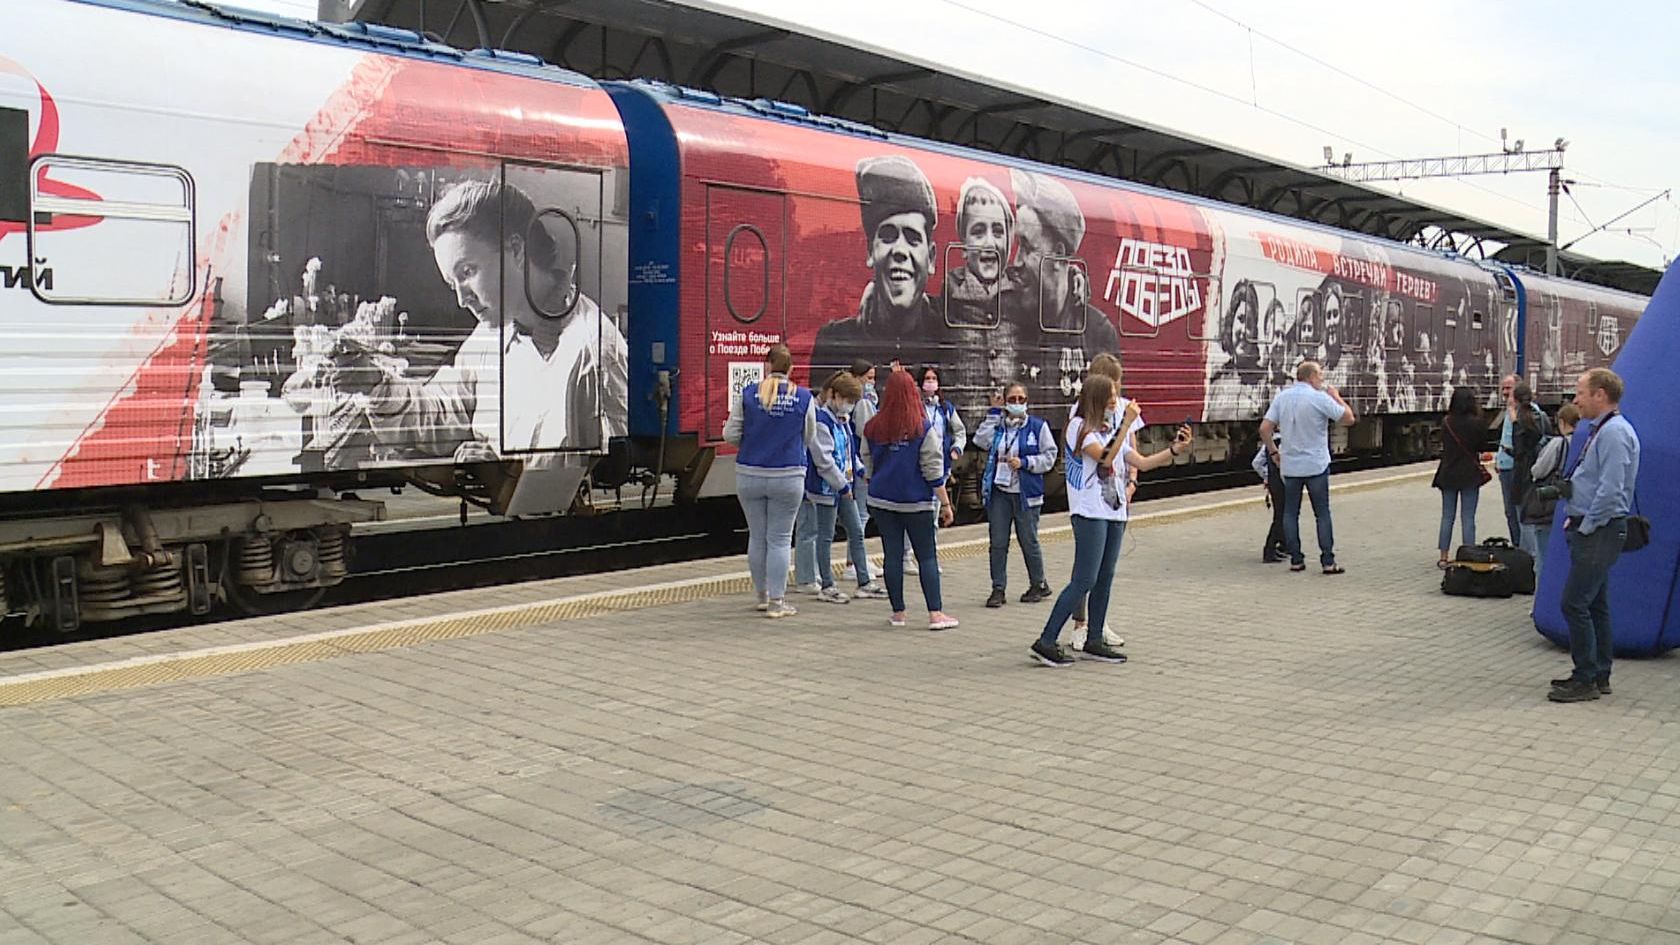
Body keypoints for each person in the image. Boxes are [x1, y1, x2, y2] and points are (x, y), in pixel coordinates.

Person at [365, 178, 628, 460]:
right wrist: (376, 385)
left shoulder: (592, 354)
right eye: (453, 284)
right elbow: (445, 415)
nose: (461, 299)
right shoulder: (490, 335)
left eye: (467, 272)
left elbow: (608, 483)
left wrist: (502, 474)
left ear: (515, 249)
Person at [1030, 375, 1191, 666]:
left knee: (1105, 577)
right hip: (1089, 512)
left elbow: (1139, 461)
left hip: (1114, 510)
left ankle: (1094, 639)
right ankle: (1046, 639)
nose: (1116, 403)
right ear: (1096, 399)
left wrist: (1173, 450)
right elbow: (1104, 458)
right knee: (1084, 579)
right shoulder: (1080, 428)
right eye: (1111, 398)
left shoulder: (1107, 430)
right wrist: (1126, 424)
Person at [1548, 369, 1640, 703]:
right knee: (1596, 603)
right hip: (1593, 528)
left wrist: (1585, 524)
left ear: (1600, 395)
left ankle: (1585, 677)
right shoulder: (1603, 430)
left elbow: (1612, 491)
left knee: (1573, 603)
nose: (1576, 401)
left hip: (1599, 531)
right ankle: (1599, 673)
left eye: (1580, 393)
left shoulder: (1614, 434)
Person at [810, 156, 944, 379]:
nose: (900, 250)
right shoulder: (835, 341)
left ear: (930, 258)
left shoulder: (947, 331)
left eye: (912, 238)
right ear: (870, 251)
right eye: (889, 236)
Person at [1005, 168, 1120, 407]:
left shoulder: (1097, 332)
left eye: (1027, 247)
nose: (1016, 261)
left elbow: (1111, 403)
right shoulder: (1007, 317)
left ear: (1058, 255)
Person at [723, 344, 823, 619]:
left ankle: (761, 595)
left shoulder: (749, 394)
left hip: (749, 474)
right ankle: (777, 603)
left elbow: (731, 434)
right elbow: (809, 436)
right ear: (791, 369)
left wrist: (753, 441)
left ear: (767, 366)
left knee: (757, 537)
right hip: (788, 475)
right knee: (779, 539)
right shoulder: (803, 398)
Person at [863, 370, 959, 630]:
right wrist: (946, 504)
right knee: (926, 556)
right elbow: (932, 470)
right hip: (916, 502)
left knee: (891, 555)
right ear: (913, 392)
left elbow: (866, 462)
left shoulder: (873, 426)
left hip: (882, 500)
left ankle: (898, 614)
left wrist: (875, 482)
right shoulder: (922, 427)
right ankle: (935, 614)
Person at [1069, 353, 1143, 647]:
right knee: (1086, 568)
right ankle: (1080, 623)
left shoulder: (1124, 409)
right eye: (1113, 382)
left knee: (1105, 568)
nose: (1117, 390)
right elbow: (1100, 454)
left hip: (1115, 499)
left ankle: (1099, 625)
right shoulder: (1081, 414)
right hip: (1091, 501)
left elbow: (1131, 447)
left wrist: (1132, 482)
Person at [793, 371, 888, 602]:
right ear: (833, 395)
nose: (849, 406)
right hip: (826, 489)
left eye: (853, 402)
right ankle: (827, 585)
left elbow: (848, 452)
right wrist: (843, 485)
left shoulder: (842, 421)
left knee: (856, 531)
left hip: (844, 486)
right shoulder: (821, 421)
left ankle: (864, 582)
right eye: (847, 400)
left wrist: (860, 470)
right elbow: (824, 460)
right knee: (825, 535)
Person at [1259, 360, 1357, 574]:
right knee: (1322, 513)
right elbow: (1349, 418)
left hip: (1291, 466)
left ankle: (1296, 559)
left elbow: (1265, 429)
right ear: (1311, 377)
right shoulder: (1319, 398)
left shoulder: (1282, 397)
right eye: (1320, 376)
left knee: (1290, 513)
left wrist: (1274, 453)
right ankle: (1328, 562)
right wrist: (1336, 396)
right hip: (1316, 466)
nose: (1322, 380)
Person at [974, 381, 1056, 607]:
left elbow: (1050, 456)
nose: (1017, 404)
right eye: (1012, 400)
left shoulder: (1038, 427)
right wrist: (992, 413)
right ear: (1005, 403)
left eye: (1021, 399)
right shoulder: (998, 427)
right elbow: (980, 440)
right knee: (998, 542)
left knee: (1028, 540)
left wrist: (1026, 462)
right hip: (1000, 492)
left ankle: (1038, 583)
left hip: (1026, 494)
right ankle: (998, 589)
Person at [906, 365, 966, 575]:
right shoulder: (913, 406)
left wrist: (957, 448)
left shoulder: (945, 408)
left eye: (934, 378)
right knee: (913, 511)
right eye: (927, 378)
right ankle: (907, 556)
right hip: (917, 468)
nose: (930, 382)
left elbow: (959, 431)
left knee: (932, 515)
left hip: (941, 466)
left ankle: (927, 558)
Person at [1432, 387, 1487, 568]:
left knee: (1447, 516)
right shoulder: (1477, 423)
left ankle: (1443, 556)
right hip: (1470, 474)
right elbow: (1480, 445)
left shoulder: (1446, 422)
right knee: (1468, 517)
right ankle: (1468, 555)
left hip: (1448, 473)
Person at [1522, 402, 1579, 576]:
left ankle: (1542, 598)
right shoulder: (1585, 442)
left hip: (1550, 507)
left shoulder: (1558, 443)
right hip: (1574, 506)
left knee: (1543, 556)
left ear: (1562, 422)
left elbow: (1538, 471)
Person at [843, 357, 880, 583]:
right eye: (869, 378)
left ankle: (857, 559)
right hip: (862, 464)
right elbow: (868, 433)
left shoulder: (853, 402)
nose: (872, 383)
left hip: (854, 462)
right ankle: (853, 562)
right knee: (861, 515)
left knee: (858, 514)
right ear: (857, 378)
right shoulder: (864, 403)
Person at [1508, 381, 1549, 558]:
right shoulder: (1543, 417)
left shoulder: (1520, 423)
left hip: (1523, 475)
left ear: (1515, 401)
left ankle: (1527, 558)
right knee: (1536, 519)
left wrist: (1514, 421)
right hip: (1541, 472)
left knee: (1524, 519)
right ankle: (1536, 556)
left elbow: (1519, 451)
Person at [1253, 431, 1286, 562]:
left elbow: (1256, 463)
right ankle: (1270, 549)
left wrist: (1267, 476)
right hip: (1284, 484)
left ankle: (1281, 546)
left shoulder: (1269, 444)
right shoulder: (1286, 442)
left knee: (1280, 515)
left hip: (1274, 484)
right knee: (1281, 517)